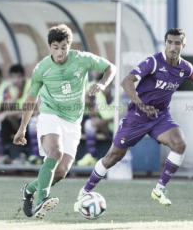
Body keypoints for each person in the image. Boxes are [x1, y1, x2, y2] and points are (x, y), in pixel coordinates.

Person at [75, 28, 193, 210]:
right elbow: (126, 81)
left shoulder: (185, 67)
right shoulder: (153, 62)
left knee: (179, 143)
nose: (173, 46)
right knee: (113, 157)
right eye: (169, 42)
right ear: (165, 43)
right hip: (137, 116)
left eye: (177, 43)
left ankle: (159, 188)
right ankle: (85, 190)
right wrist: (141, 105)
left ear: (182, 46)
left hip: (160, 116)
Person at [13, 24, 116, 219]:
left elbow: (111, 67)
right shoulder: (42, 69)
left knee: (60, 171)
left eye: (64, 47)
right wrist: (22, 128)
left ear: (69, 45)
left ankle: (29, 189)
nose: (60, 52)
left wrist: (102, 83)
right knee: (55, 152)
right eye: (55, 47)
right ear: (49, 47)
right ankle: (43, 198)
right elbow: (31, 98)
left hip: (73, 122)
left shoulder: (82, 59)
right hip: (50, 115)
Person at [0, 65, 40, 165]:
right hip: (15, 121)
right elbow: (6, 108)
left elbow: (34, 110)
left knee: (22, 120)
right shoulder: (8, 89)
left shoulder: (31, 87)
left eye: (18, 77)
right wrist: (16, 94)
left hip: (28, 120)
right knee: (3, 121)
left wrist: (10, 113)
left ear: (23, 77)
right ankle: (5, 155)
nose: (16, 80)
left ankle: (23, 155)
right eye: (13, 77)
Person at [77, 83, 114, 166]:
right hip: (105, 128)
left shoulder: (120, 92)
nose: (105, 89)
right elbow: (86, 98)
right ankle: (91, 155)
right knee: (89, 123)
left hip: (118, 129)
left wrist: (104, 121)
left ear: (112, 86)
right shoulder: (99, 93)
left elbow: (124, 114)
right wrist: (95, 115)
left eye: (108, 86)